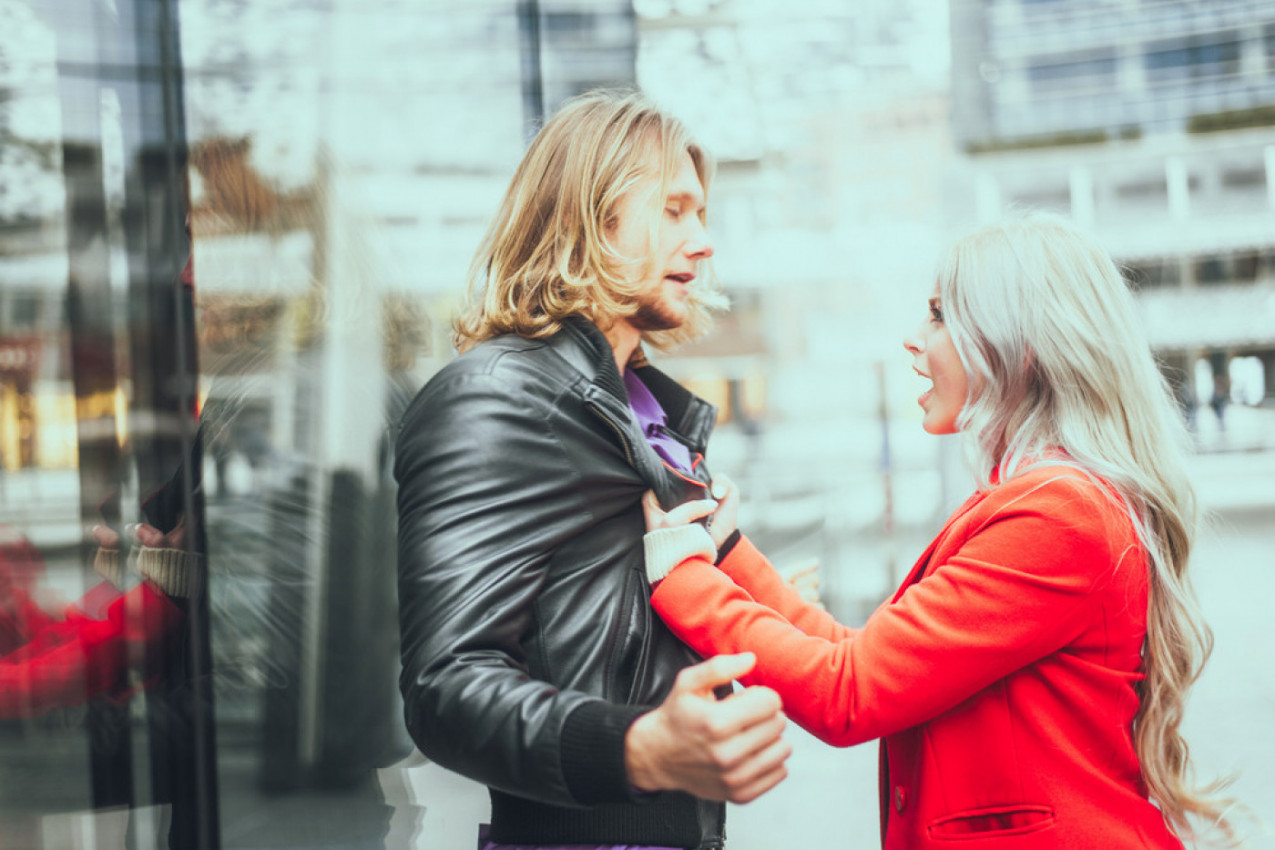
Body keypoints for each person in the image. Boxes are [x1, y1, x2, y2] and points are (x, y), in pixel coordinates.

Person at [642, 213, 1235, 848]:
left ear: (1017, 345)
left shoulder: (1056, 517)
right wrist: (729, 554)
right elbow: (866, 659)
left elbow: (848, 691)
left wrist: (684, 577)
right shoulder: (1046, 500)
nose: (913, 339)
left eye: (939, 315)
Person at [394, 90, 790, 850]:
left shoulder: (642, 408)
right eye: (674, 210)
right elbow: (444, 687)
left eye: (701, 214)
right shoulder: (491, 398)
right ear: (592, 220)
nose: (703, 241)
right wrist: (639, 746)